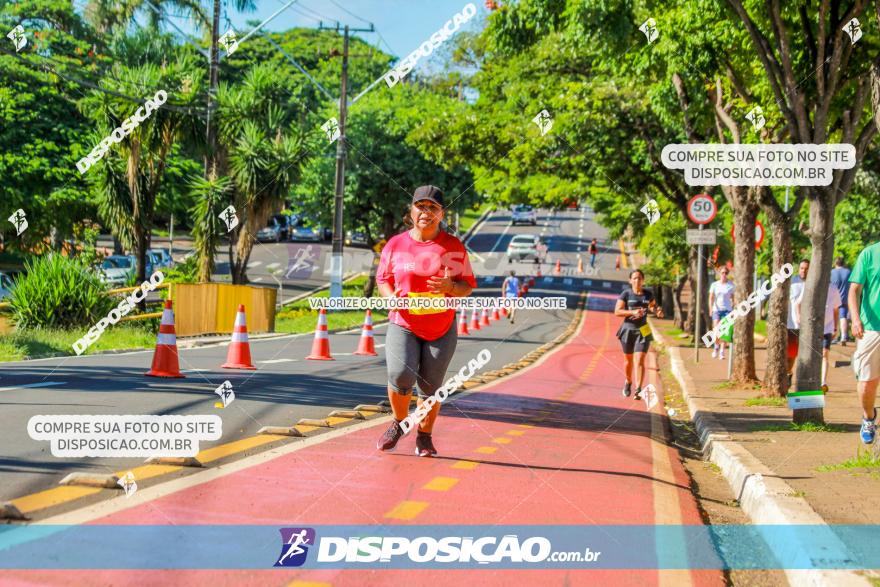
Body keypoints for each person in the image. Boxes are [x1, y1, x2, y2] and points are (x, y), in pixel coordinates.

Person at [375, 185, 476, 457]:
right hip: (403, 323)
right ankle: (398, 423)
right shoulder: (396, 244)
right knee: (400, 375)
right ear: (411, 210)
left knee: (431, 387)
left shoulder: (452, 246)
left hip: (441, 328)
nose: (426, 212)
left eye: (433, 207)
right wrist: (389, 297)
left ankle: (424, 437)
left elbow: (467, 286)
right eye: (421, 206)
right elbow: (383, 278)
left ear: (442, 214)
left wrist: (450, 287)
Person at [614, 269, 664, 400]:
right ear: (630, 280)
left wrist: (657, 311)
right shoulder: (626, 294)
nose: (637, 280)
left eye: (640, 278)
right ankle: (628, 381)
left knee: (640, 359)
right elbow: (617, 311)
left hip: (643, 330)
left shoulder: (648, 294)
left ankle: (638, 389)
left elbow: (652, 306)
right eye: (635, 278)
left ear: (643, 280)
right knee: (628, 361)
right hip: (628, 330)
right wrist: (632, 312)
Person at [849, 241, 880, 444]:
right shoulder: (869, 254)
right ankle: (869, 417)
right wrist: (855, 319)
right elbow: (854, 291)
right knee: (867, 384)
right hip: (871, 328)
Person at [795, 280, 840, 391]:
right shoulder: (810, 284)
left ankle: (823, 382)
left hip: (827, 328)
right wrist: (799, 317)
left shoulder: (833, 289)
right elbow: (798, 303)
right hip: (811, 328)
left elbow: (836, 309)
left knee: (825, 354)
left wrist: (835, 327)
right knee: (810, 354)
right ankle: (808, 380)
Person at [786, 260, 810, 387]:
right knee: (790, 353)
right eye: (801, 268)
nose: (803, 271)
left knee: (804, 355)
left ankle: (803, 381)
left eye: (806, 268)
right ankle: (788, 373)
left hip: (807, 326)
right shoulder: (792, 282)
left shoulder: (812, 283)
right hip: (791, 324)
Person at [708, 267, 735, 360]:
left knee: (725, 331)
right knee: (716, 330)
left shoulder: (731, 285)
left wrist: (733, 305)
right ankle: (716, 348)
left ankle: (722, 351)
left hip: (727, 310)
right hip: (717, 309)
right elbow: (711, 297)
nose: (724, 274)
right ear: (719, 273)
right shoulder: (714, 285)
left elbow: (733, 297)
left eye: (726, 273)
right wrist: (711, 309)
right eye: (722, 273)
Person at [831, 256, 852, 345]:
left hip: (833, 298)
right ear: (843, 263)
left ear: (835, 263)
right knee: (843, 317)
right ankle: (843, 336)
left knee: (833, 318)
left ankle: (833, 336)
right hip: (844, 298)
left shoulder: (832, 272)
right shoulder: (848, 272)